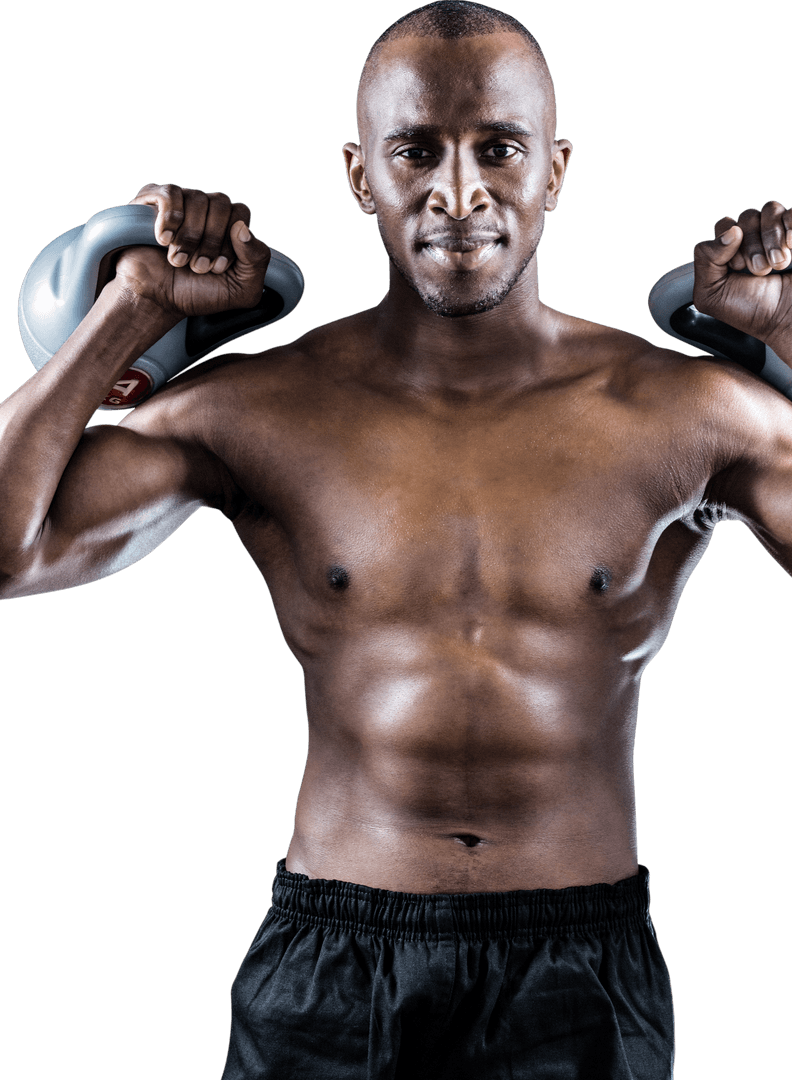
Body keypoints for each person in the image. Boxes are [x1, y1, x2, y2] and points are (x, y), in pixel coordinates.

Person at [1, 1, 790, 1076]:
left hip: (578, 968)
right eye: (415, 150)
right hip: (333, 960)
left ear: (554, 171)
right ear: (361, 174)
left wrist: (787, 334)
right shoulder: (264, 410)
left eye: (499, 149)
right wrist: (130, 308)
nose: (458, 194)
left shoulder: (681, 414)